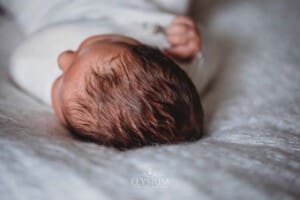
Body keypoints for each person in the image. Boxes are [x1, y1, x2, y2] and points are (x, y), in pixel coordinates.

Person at [1, 0, 215, 149]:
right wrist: (190, 41)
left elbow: (21, 60)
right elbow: (212, 51)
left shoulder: (36, 56)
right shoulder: (176, 70)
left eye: (58, 85)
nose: (62, 58)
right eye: (90, 45)